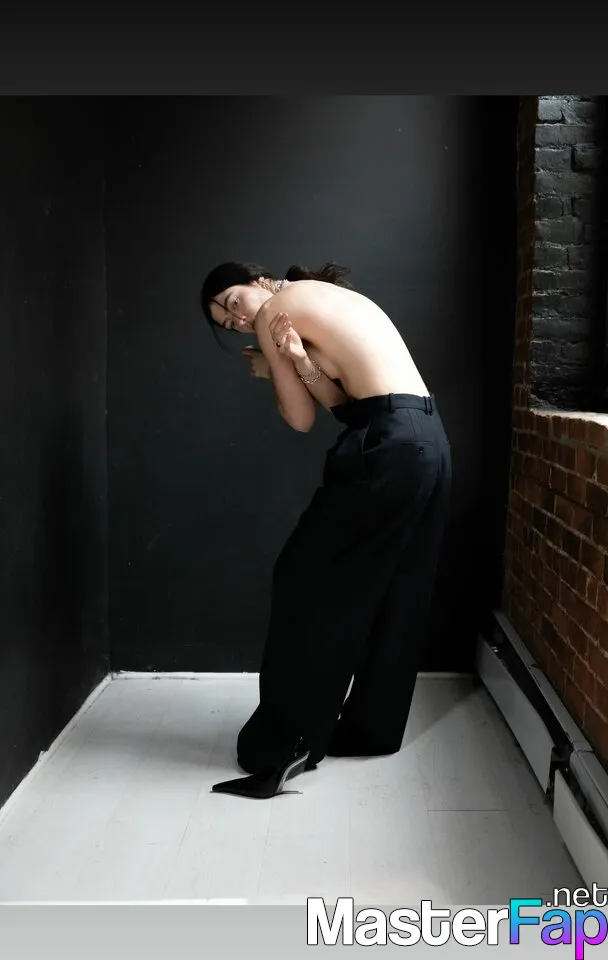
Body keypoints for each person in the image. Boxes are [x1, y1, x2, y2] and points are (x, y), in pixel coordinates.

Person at [200, 261, 451, 799]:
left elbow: (301, 420)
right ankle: (368, 730)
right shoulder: (322, 296)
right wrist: (298, 362)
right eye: (227, 323)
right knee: (398, 587)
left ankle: (286, 741)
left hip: (390, 447)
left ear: (257, 279)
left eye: (232, 301)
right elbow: (349, 406)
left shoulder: (274, 310)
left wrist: (277, 370)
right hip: (426, 438)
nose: (237, 320)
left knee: (303, 579)